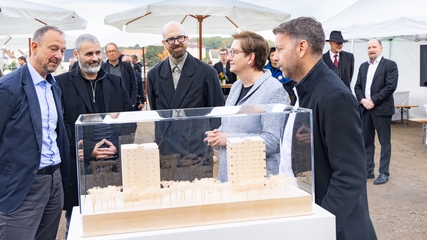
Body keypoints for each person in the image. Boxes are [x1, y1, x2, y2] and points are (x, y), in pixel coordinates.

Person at [272, 17, 376, 240]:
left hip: (333, 228)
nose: (275, 57)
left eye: (280, 49)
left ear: (301, 48)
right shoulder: (303, 89)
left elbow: (350, 175)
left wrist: (320, 226)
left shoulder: (335, 96)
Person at [0, 26, 70, 240]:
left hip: (54, 182)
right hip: (22, 186)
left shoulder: (53, 86)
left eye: (62, 50)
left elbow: (53, 133)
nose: (58, 55)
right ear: (34, 47)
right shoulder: (6, 88)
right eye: (53, 48)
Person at [55, 34, 133, 236]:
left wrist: (117, 145)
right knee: (78, 223)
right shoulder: (61, 83)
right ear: (77, 54)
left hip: (113, 163)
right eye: (89, 53)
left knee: (114, 220)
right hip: (78, 165)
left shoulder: (116, 82)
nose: (95, 58)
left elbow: (129, 120)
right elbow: (60, 125)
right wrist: (87, 149)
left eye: (98, 52)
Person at [204, 31, 289, 182]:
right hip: (230, 177)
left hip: (255, 182)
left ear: (251, 57)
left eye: (234, 52)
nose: (229, 57)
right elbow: (230, 126)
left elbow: (274, 141)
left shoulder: (273, 90)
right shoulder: (236, 86)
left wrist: (228, 139)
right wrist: (218, 136)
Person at [147, 21, 224, 157]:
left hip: (196, 148)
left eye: (180, 37)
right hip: (166, 148)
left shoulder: (206, 72)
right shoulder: (153, 75)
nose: (176, 42)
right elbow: (156, 113)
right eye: (170, 39)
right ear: (163, 43)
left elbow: (217, 114)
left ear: (186, 38)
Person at [354, 39, 398, 185]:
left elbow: (390, 86)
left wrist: (373, 100)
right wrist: (362, 100)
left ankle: (384, 173)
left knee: (384, 142)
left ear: (381, 48)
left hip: (381, 109)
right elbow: (357, 86)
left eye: (374, 47)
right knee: (367, 142)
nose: (371, 50)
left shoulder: (390, 65)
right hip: (365, 109)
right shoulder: (363, 66)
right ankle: (368, 170)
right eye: (369, 47)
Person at [101, 43, 137, 109]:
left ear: (118, 52)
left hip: (126, 102)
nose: (112, 53)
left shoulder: (127, 66)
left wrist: (132, 102)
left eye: (113, 51)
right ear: (106, 54)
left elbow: (133, 84)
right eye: (109, 51)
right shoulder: (102, 68)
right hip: (110, 104)